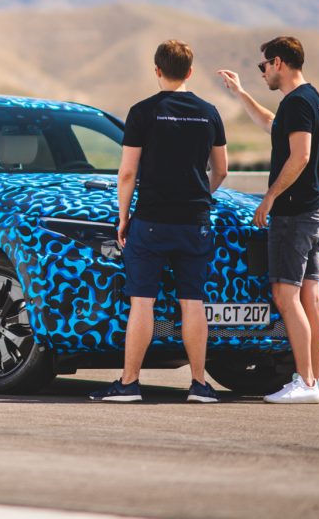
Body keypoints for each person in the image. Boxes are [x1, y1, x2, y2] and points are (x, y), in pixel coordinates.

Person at [90, 40, 228, 403]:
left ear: (156, 70)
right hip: (195, 219)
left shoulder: (142, 112)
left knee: (142, 302)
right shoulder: (209, 111)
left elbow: (127, 173)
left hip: (150, 219)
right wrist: (202, 196)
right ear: (190, 72)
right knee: (192, 302)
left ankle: (130, 383)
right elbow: (222, 168)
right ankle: (199, 384)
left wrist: (123, 218)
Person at [217, 36, 319, 404]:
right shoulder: (312, 100)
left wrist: (269, 197)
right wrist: (240, 93)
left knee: (286, 295)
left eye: (262, 65)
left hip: (295, 214)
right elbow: (271, 124)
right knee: (311, 298)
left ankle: (306, 383)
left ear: (278, 62)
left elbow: (299, 157)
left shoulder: (298, 104)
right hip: (315, 210)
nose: (262, 71)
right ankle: (315, 380)